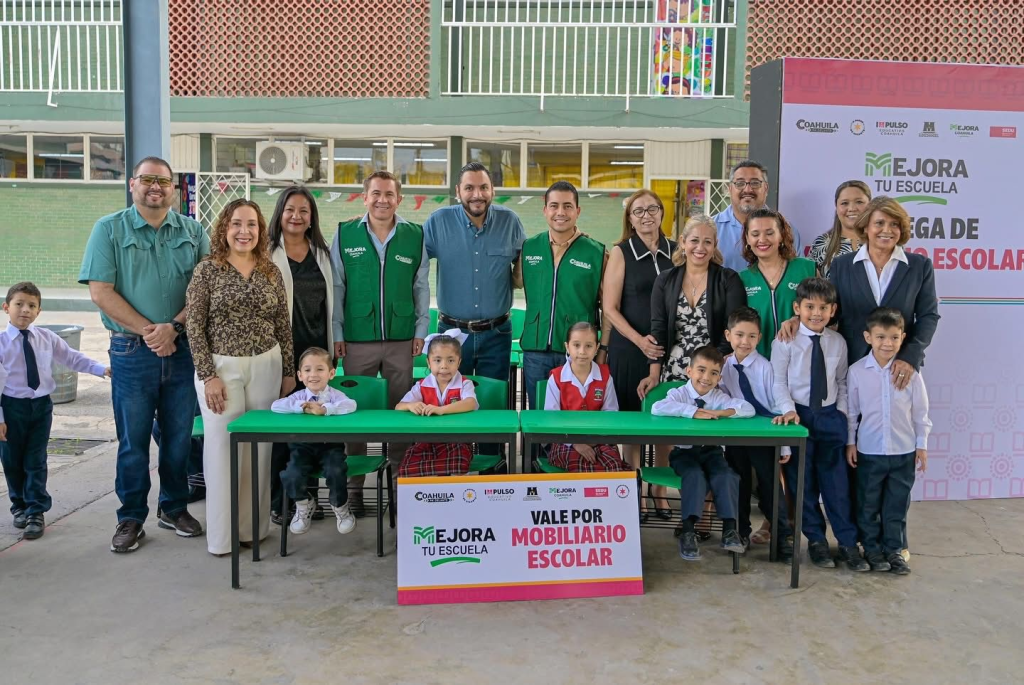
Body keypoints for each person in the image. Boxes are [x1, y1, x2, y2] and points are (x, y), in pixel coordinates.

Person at [80, 156, 209, 553]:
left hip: (183, 347)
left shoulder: (192, 230)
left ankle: (172, 507)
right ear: (133, 184)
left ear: (174, 189)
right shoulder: (109, 229)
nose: (156, 187)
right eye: (148, 180)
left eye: (164, 181)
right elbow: (101, 291)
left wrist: (174, 328)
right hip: (131, 351)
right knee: (133, 441)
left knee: (178, 439)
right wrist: (151, 332)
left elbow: (204, 289)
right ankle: (131, 517)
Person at [186, 199, 295, 557]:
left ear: (261, 231)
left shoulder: (270, 270)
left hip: (267, 364)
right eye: (236, 224)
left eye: (251, 225)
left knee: (259, 451)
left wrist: (289, 372)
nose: (244, 231)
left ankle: (253, 530)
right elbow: (194, 326)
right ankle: (223, 538)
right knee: (221, 450)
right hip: (222, 368)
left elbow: (283, 323)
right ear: (224, 228)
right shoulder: (207, 270)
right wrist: (208, 375)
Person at [332, 170, 430, 513]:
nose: (382, 200)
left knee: (400, 414)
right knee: (354, 413)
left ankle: (400, 489)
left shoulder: (414, 235)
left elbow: (421, 287)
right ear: (365, 197)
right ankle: (354, 490)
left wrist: (421, 330)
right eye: (376, 193)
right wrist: (338, 334)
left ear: (399, 199)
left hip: (402, 340)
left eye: (389, 194)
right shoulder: (345, 234)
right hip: (358, 340)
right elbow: (338, 288)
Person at [646, 215, 745, 519]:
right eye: (694, 240)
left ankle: (707, 506)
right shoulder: (666, 279)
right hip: (675, 367)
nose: (700, 247)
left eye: (707, 241)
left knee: (709, 430)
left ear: (715, 246)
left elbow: (735, 326)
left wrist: (713, 366)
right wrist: (653, 371)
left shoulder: (727, 279)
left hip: (712, 369)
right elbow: (659, 327)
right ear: (683, 243)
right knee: (669, 430)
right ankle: (660, 496)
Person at [771, 278, 868, 572]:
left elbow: (841, 382)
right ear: (797, 308)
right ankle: (816, 540)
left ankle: (848, 542)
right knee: (803, 484)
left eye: (823, 308)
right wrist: (788, 410)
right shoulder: (784, 341)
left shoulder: (837, 342)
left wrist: (839, 415)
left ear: (832, 309)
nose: (816, 313)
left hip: (829, 417)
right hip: (798, 417)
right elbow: (779, 382)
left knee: (836, 485)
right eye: (809, 306)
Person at [0, 282, 110, 540]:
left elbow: (72, 357)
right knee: (12, 460)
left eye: (31, 305)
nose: (25, 310)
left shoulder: (46, 338)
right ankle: (20, 507)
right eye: (19, 304)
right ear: (6, 307)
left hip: (40, 407)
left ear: (39, 311)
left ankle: (36, 511)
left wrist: (100, 369)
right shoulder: (2, 344)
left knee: (36, 459)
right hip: (11, 407)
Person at [602, 189, 675, 514]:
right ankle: (632, 493)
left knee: (665, 424)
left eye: (652, 209)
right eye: (638, 211)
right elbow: (610, 308)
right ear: (629, 219)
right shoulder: (621, 252)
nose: (646, 215)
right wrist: (639, 340)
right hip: (629, 348)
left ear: (662, 212)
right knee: (632, 425)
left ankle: (659, 491)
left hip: (668, 350)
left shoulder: (677, 250)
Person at [268, 184, 335, 524]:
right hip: (280, 353)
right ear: (280, 213)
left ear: (312, 218)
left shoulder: (321, 252)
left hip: (316, 354)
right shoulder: (266, 252)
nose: (296, 216)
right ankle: (281, 502)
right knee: (284, 430)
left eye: (304, 211)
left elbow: (331, 303)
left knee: (312, 425)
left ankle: (307, 498)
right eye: (290, 209)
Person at [846, 308, 931, 576]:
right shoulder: (857, 371)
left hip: (903, 452)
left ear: (903, 338)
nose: (887, 343)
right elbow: (851, 413)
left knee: (896, 504)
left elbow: (921, 413)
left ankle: (894, 550)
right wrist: (851, 443)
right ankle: (871, 548)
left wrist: (922, 445)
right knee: (868, 503)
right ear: (867, 337)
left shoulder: (911, 374)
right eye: (881, 336)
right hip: (869, 451)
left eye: (894, 337)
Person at [424, 162, 525, 383]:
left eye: (484, 187)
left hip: (497, 333)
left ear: (493, 191)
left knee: (494, 404)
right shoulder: (438, 221)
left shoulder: (510, 222)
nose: (477, 194)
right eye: (469, 188)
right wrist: (372, 222)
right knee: (451, 401)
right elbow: (409, 252)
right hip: (452, 334)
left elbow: (524, 268)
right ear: (458, 191)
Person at [651, 345, 752, 561]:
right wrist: (693, 412)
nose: (706, 377)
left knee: (726, 475)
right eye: (701, 370)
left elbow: (747, 408)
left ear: (719, 377)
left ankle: (730, 529)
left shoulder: (719, 397)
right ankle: (688, 531)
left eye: (714, 373)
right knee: (695, 476)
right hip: (684, 454)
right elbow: (657, 408)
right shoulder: (678, 393)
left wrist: (720, 412)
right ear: (689, 371)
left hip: (712, 453)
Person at [515, 181, 605, 411]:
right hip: (536, 351)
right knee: (539, 418)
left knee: (577, 417)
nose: (560, 212)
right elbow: (514, 281)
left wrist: (603, 347)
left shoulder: (597, 252)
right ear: (545, 210)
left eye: (567, 206)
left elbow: (610, 307)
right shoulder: (529, 248)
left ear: (578, 211)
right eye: (554, 206)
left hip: (579, 351)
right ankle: (541, 451)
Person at [719, 306, 794, 561]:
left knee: (770, 487)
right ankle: (739, 533)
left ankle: (782, 538)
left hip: (764, 436)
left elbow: (776, 404)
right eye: (739, 335)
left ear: (759, 338)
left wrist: (783, 445)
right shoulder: (723, 367)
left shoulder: (766, 367)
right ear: (728, 335)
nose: (745, 341)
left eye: (752, 336)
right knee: (737, 484)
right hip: (736, 438)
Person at [271, 347, 358, 536]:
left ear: (331, 373)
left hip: (330, 447)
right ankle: (304, 504)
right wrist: (300, 408)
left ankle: (340, 507)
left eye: (320, 369)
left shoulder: (335, 395)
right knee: (290, 474)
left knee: (336, 471)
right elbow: (276, 405)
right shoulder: (299, 396)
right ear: (300, 375)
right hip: (302, 448)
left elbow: (351, 405)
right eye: (308, 370)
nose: (313, 375)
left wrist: (326, 409)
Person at [543, 322, 630, 473]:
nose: (582, 351)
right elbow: (551, 419)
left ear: (597, 348)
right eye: (576, 345)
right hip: (565, 441)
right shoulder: (556, 378)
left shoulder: (605, 377)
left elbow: (611, 414)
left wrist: (594, 441)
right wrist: (575, 443)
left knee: (614, 465)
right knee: (585, 467)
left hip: (600, 440)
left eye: (588, 346)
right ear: (567, 347)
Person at [395, 332, 479, 477]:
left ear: (459, 362)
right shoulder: (421, 385)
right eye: (437, 360)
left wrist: (441, 410)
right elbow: (399, 406)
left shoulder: (465, 384)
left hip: (457, 441)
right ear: (428, 362)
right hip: (426, 442)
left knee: (457, 466)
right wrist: (410, 406)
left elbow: (471, 403)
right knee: (407, 468)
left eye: (451, 360)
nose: (444, 366)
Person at [739, 208, 816, 358]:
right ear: (747, 239)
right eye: (755, 234)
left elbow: (825, 310)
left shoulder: (807, 268)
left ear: (781, 235)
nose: (762, 239)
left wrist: (798, 318)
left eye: (769, 233)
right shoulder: (742, 279)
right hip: (759, 366)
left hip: (802, 362)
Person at [715, 160, 802, 272]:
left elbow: (797, 275)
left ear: (766, 188)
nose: (747, 189)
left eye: (755, 183)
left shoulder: (786, 229)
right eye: (740, 183)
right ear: (730, 189)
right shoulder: (712, 228)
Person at [808, 180, 871, 279]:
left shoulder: (882, 241)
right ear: (836, 207)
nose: (851, 208)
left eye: (859, 202)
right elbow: (810, 288)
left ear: (870, 205)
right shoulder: (821, 243)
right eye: (844, 203)